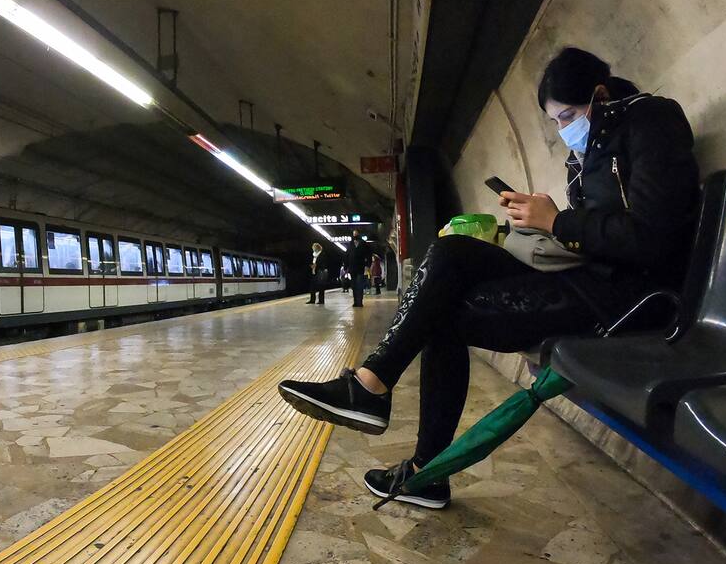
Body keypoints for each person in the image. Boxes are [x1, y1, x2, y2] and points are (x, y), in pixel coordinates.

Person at [278, 47, 699, 509]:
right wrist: (539, 225)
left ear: (599, 95)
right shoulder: (590, 151)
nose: (564, 131)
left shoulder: (652, 122)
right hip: (591, 275)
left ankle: (416, 458)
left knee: (444, 315)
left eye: (567, 116)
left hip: (633, 299)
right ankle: (373, 383)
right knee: (452, 250)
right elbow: (596, 233)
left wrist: (556, 222)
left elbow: (653, 240)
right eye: (555, 122)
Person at [344, 236, 372, 307]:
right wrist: (346, 267)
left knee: (359, 285)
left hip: (360, 268)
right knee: (354, 286)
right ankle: (355, 301)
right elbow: (346, 257)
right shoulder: (350, 246)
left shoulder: (363, 245)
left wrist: (368, 265)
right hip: (352, 269)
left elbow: (368, 255)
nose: (355, 242)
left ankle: (359, 301)